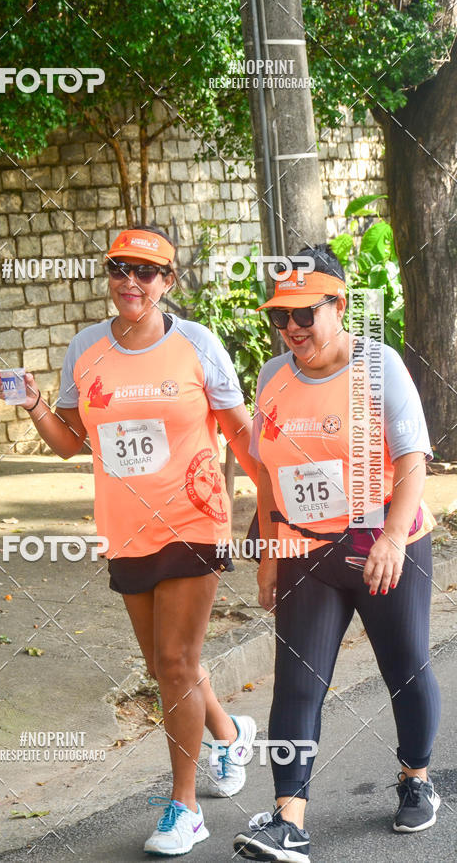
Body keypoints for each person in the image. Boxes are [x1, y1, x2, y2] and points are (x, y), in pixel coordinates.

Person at [0, 224, 261, 857]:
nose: (131, 282)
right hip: (126, 528)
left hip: (193, 518)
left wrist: (274, 510)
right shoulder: (86, 348)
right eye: (120, 269)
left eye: (146, 271)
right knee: (168, 664)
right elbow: (70, 442)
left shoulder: (197, 344)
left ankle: (185, 807)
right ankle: (229, 735)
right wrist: (34, 403)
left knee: (175, 662)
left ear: (168, 281)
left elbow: (242, 434)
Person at [233, 246, 441, 862]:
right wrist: (269, 554)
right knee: (296, 684)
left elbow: (413, 461)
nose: (291, 328)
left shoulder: (380, 366)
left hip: (381, 541)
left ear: (340, 305)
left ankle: (416, 779)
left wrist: (394, 537)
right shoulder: (273, 377)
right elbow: (268, 475)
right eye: (281, 316)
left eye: (304, 313)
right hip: (304, 551)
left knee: (405, 667)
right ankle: (288, 819)